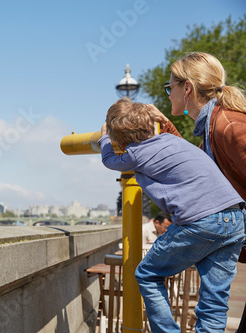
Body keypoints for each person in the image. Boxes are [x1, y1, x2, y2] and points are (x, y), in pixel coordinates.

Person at [99, 97, 245, 332]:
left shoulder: (137, 153)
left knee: (148, 274)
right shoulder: (169, 139)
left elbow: (109, 160)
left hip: (200, 220)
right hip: (236, 217)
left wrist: (104, 137)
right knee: (214, 299)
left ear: (120, 138)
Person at [159, 51, 246, 330]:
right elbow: (197, 170)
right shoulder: (211, 126)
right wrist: (168, 131)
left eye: (169, 87)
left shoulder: (227, 124)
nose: (168, 94)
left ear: (187, 89)